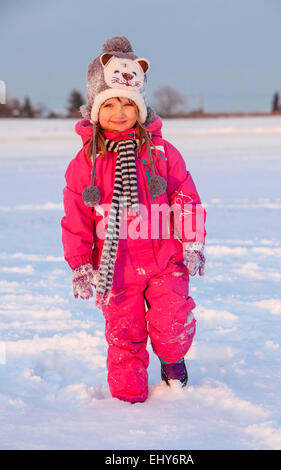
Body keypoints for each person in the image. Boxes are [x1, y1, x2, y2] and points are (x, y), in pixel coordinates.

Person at [61, 36, 206, 403]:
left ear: (140, 108)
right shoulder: (85, 164)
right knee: (123, 333)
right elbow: (75, 219)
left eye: (128, 102)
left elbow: (186, 196)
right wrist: (80, 265)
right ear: (95, 110)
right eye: (110, 104)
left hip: (164, 258)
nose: (120, 111)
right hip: (114, 266)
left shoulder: (162, 153)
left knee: (172, 321)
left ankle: (172, 360)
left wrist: (191, 242)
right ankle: (128, 403)